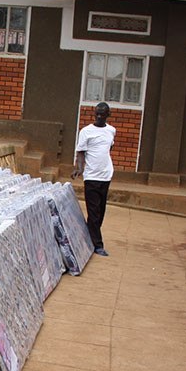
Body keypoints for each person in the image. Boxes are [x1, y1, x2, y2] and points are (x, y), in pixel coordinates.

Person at [72, 101, 115, 256]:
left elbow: (109, 148)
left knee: (101, 210)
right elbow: (81, 152)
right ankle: (98, 244)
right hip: (91, 176)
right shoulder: (86, 132)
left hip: (106, 175)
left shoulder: (111, 131)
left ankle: (91, 239)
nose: (98, 117)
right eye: (96, 113)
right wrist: (79, 168)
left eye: (102, 114)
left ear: (107, 116)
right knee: (93, 211)